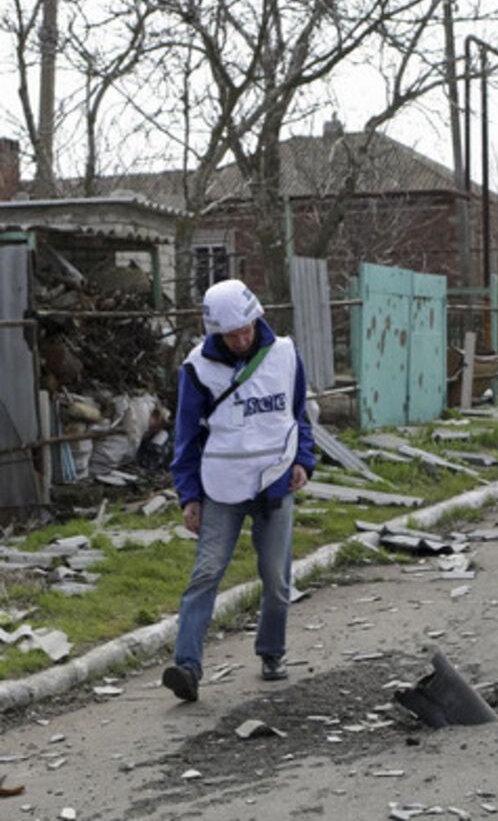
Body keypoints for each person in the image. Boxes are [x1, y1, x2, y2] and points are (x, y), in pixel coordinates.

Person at [162, 279, 315, 702]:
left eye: (246, 330)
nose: (242, 340)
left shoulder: (284, 354)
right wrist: (189, 497)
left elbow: (299, 413)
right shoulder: (197, 368)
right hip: (221, 487)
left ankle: (272, 653)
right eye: (232, 335)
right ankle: (187, 667)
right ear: (216, 332)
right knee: (206, 573)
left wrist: (303, 460)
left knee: (277, 579)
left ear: (256, 319)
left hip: (275, 481)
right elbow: (186, 438)